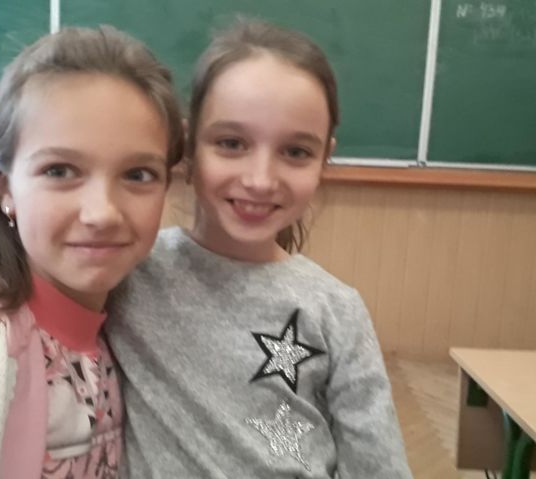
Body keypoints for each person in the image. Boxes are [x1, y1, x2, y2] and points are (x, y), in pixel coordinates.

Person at [108, 19, 412, 478]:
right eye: (231, 143)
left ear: (324, 159)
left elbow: (378, 466)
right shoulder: (127, 274)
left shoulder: (337, 309)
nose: (260, 179)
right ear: (188, 146)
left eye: (296, 152)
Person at [0, 25, 183, 479]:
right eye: (60, 170)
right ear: (6, 190)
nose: (102, 213)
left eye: (138, 174)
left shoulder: (131, 330)